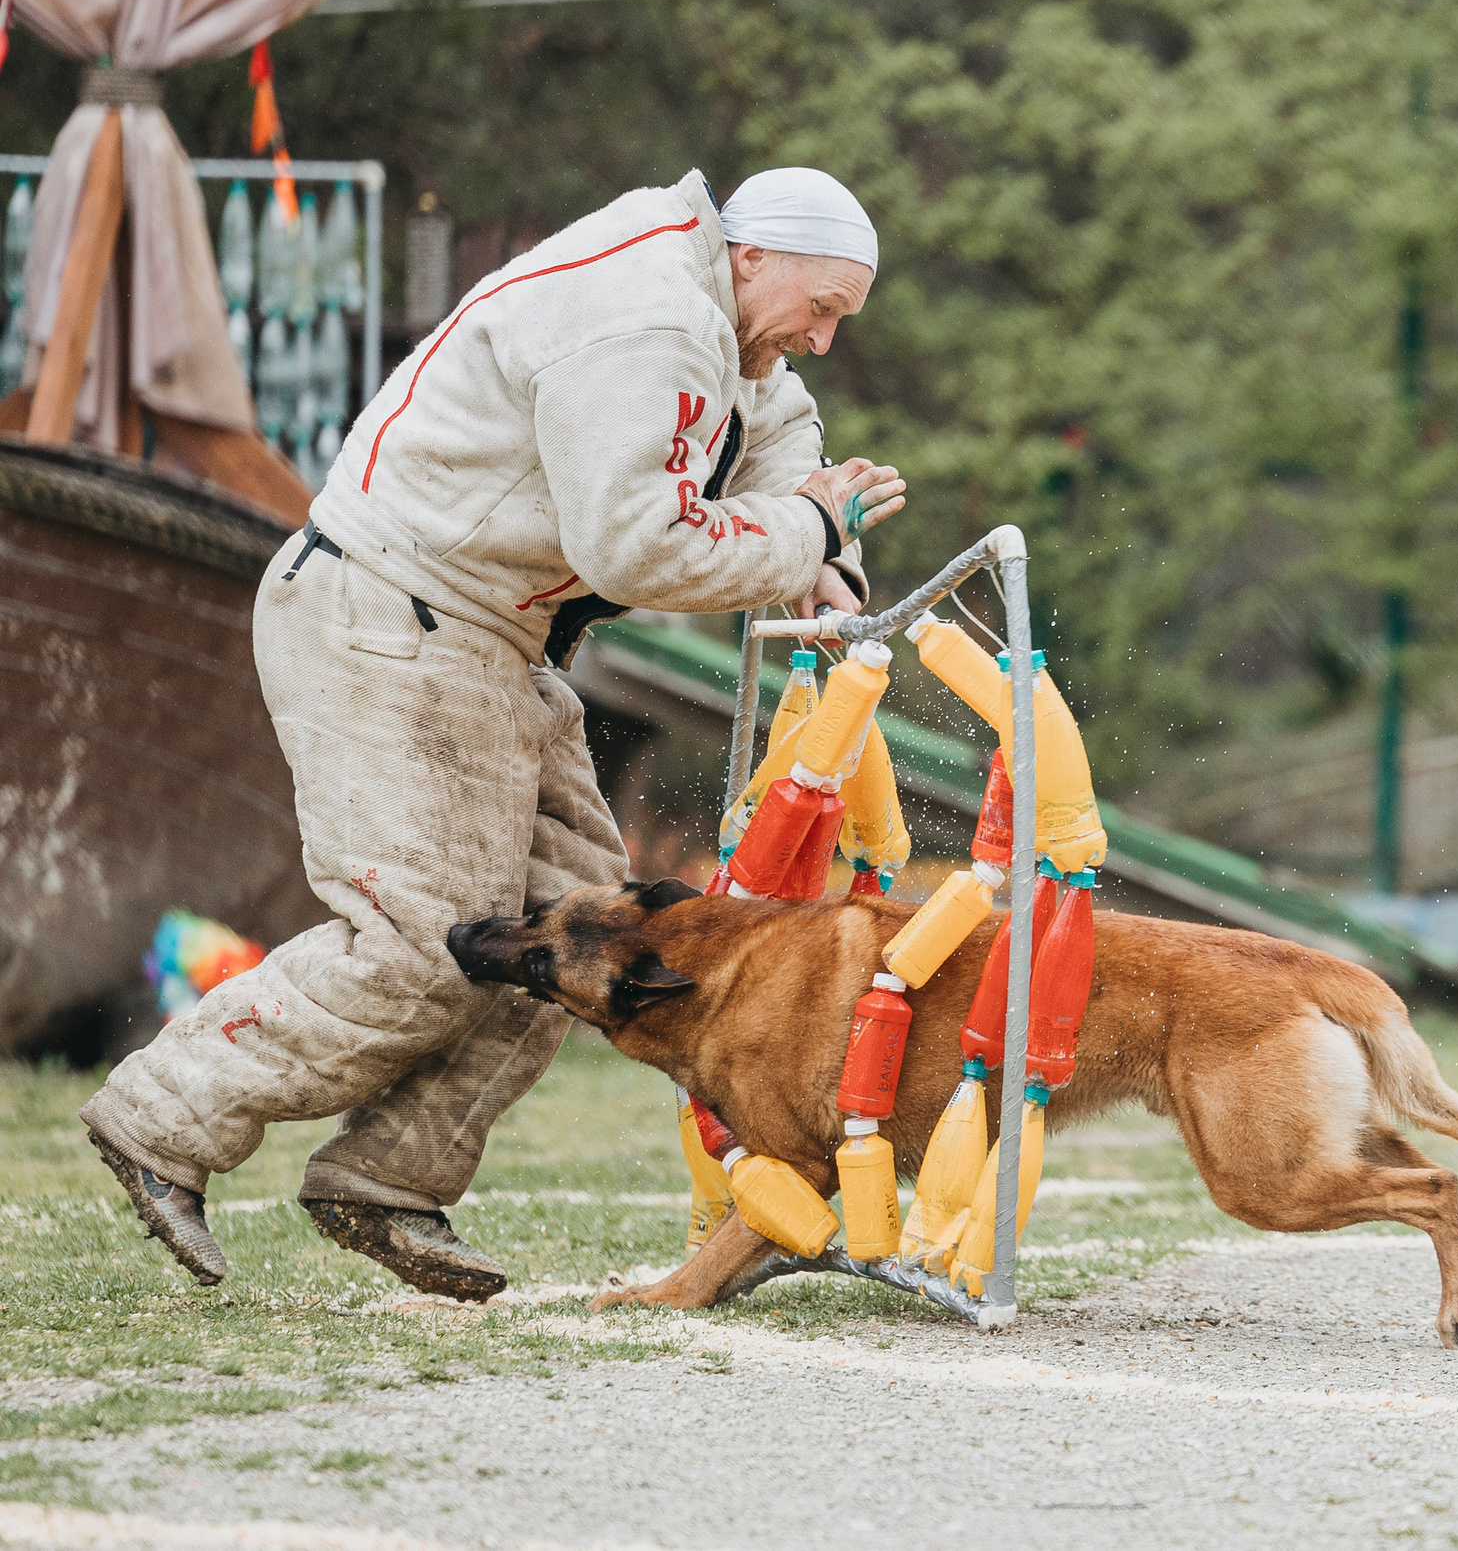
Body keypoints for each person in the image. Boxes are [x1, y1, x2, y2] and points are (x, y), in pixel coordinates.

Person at [79, 167, 905, 1301]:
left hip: (484, 640)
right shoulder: (648, 317)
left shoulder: (717, 312)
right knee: (422, 940)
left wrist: (826, 558)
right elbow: (635, 548)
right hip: (394, 618)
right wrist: (808, 528)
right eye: (822, 310)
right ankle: (160, 1118)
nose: (820, 341)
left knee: (583, 932)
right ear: (753, 258)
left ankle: (387, 1179)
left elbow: (783, 439)